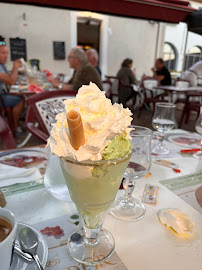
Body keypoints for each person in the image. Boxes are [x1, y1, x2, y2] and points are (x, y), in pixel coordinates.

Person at [0, 43, 24, 133]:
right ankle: (14, 127)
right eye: (3, 53)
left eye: (7, 53)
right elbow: (11, 81)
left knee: (20, 96)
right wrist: (15, 67)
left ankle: (14, 123)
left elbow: (9, 78)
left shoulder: (2, 65)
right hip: (0, 97)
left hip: (2, 94)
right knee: (20, 99)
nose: (6, 56)